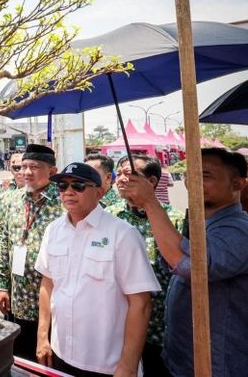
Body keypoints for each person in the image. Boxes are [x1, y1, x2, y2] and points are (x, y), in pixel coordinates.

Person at [118, 148, 248, 376]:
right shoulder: (203, 224)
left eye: (205, 176)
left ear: (237, 184)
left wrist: (149, 201)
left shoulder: (239, 230)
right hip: (181, 359)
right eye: (190, 174)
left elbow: (192, 267)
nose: (193, 182)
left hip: (216, 365)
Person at [35, 162, 159, 376]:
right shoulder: (53, 230)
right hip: (60, 351)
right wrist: (42, 337)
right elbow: (48, 284)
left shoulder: (122, 234)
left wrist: (128, 366)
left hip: (106, 364)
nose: (69, 192)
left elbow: (141, 303)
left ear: (100, 192)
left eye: (79, 186)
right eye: (62, 186)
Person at [109, 155, 184, 376]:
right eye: (119, 173)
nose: (122, 179)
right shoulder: (109, 216)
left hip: (163, 327)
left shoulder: (175, 220)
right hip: (121, 326)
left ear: (151, 182)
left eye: (130, 174)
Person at [0, 144, 62, 359]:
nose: (26, 173)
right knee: (20, 359)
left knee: (49, 360)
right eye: (23, 167)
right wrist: (2, 286)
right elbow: (3, 243)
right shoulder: (9, 199)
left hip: (52, 301)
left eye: (34, 167)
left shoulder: (64, 202)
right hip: (17, 299)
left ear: (52, 171)